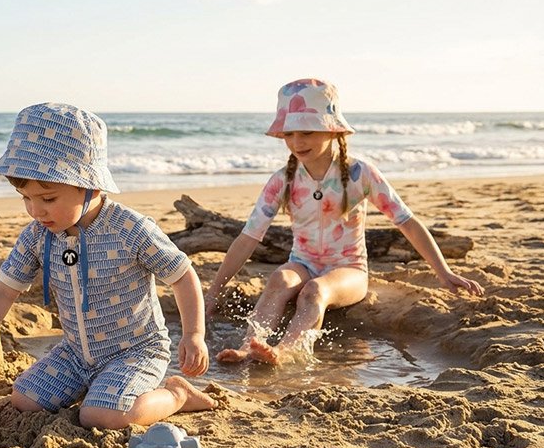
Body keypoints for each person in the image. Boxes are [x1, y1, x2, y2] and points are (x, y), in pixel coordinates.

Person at [0, 102, 217, 430]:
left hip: (136, 351)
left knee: (100, 416)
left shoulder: (129, 229)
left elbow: (182, 275)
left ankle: (177, 395)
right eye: (26, 198)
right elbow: (2, 290)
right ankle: (98, 388)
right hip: (77, 353)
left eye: (48, 199)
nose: (35, 211)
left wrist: (194, 334)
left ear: (90, 186)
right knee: (24, 399)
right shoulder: (38, 235)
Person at [205, 78, 484, 365]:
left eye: (307, 132)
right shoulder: (283, 180)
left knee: (315, 290)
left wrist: (444, 272)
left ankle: (286, 351)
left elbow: (406, 222)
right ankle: (249, 345)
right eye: (289, 134)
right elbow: (248, 237)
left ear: (332, 129)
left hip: (349, 270)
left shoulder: (360, 174)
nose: (297, 142)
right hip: (302, 264)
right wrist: (213, 294)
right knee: (279, 278)